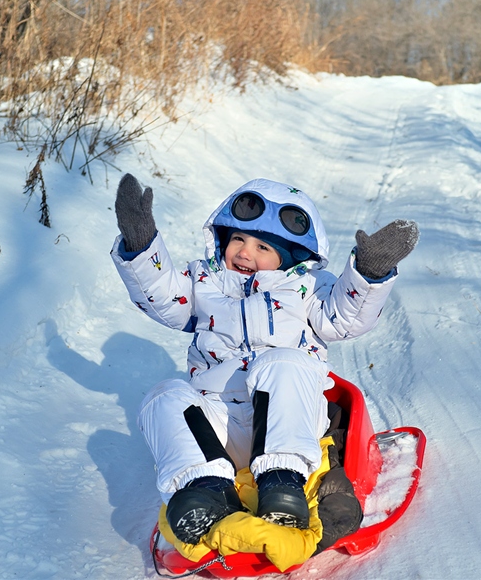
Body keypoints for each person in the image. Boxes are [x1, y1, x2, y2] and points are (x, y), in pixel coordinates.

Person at [111, 174, 418, 547]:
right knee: (163, 396)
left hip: (285, 417)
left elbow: (345, 317)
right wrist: (140, 243)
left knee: (284, 363)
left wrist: (369, 272)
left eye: (262, 247)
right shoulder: (204, 281)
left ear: (288, 257)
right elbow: (161, 298)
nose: (244, 252)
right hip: (219, 423)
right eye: (238, 239)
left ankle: (282, 485)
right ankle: (205, 491)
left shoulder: (305, 288)